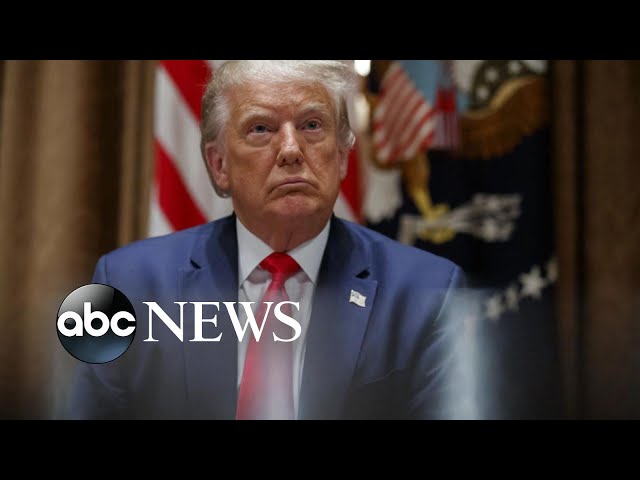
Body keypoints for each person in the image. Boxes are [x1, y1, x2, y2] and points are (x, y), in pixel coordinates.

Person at [69, 60, 469, 420]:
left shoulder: (428, 293)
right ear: (219, 164)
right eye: (261, 128)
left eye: (312, 125)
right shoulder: (130, 284)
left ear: (342, 156)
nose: (291, 150)